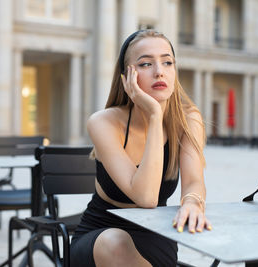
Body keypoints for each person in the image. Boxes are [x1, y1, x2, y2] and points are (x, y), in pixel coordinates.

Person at [70, 29, 212, 267]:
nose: (159, 71)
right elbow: (146, 197)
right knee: (116, 243)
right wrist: (155, 116)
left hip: (156, 239)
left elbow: (194, 181)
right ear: (127, 77)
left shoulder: (188, 119)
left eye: (167, 62)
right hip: (102, 237)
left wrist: (191, 202)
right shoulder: (103, 122)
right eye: (146, 64)